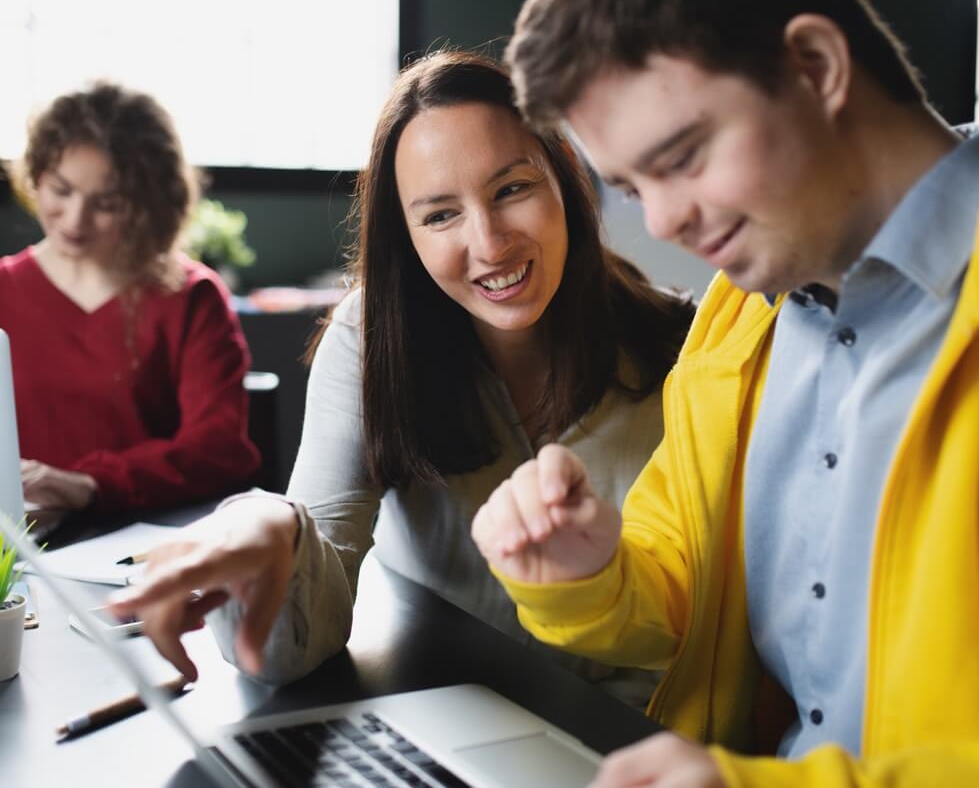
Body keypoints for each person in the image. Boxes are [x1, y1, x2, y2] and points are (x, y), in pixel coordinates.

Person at [470, 0, 979, 785]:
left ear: (816, 66)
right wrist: (585, 572)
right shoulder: (741, 312)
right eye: (635, 189)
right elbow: (688, 584)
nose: (666, 222)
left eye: (682, 157)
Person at [107, 52, 696, 707]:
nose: (490, 243)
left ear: (565, 179)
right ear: (406, 236)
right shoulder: (371, 339)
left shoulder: (684, 343)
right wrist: (269, 525)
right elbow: (293, 644)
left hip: (649, 743)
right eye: (440, 215)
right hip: (456, 721)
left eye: (511, 189)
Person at [0, 82, 260, 520]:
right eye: (60, 190)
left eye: (107, 203)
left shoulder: (190, 296)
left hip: (148, 544)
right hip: (2, 544)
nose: (75, 219)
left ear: (147, 205)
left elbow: (217, 450)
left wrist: (88, 485)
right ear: (36, 178)